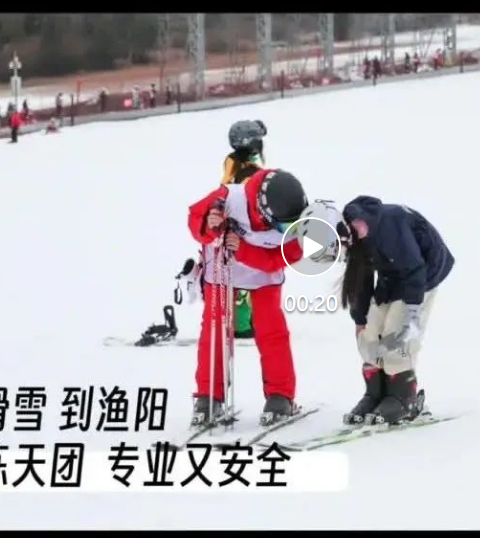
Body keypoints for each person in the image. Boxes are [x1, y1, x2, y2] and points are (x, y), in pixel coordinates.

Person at [186, 168, 308, 426]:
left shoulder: (294, 223)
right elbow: (196, 220)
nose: (288, 229)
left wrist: (245, 251)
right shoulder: (229, 197)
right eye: (284, 224)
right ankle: (208, 397)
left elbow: (287, 256)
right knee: (215, 331)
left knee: (271, 331)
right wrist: (209, 225)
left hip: (263, 274)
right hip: (222, 268)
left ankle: (280, 395)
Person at [336, 196, 454, 425]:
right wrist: (360, 319)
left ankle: (403, 396)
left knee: (395, 333)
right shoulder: (354, 237)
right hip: (392, 276)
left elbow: (414, 268)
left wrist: (411, 314)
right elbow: (360, 278)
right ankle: (376, 393)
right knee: (370, 333)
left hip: (422, 275)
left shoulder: (389, 225)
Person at [220, 120, 269, 340]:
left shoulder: (243, 161)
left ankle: (247, 318)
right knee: (245, 270)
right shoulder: (240, 166)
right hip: (243, 223)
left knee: (252, 270)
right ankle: (241, 323)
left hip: (248, 222)